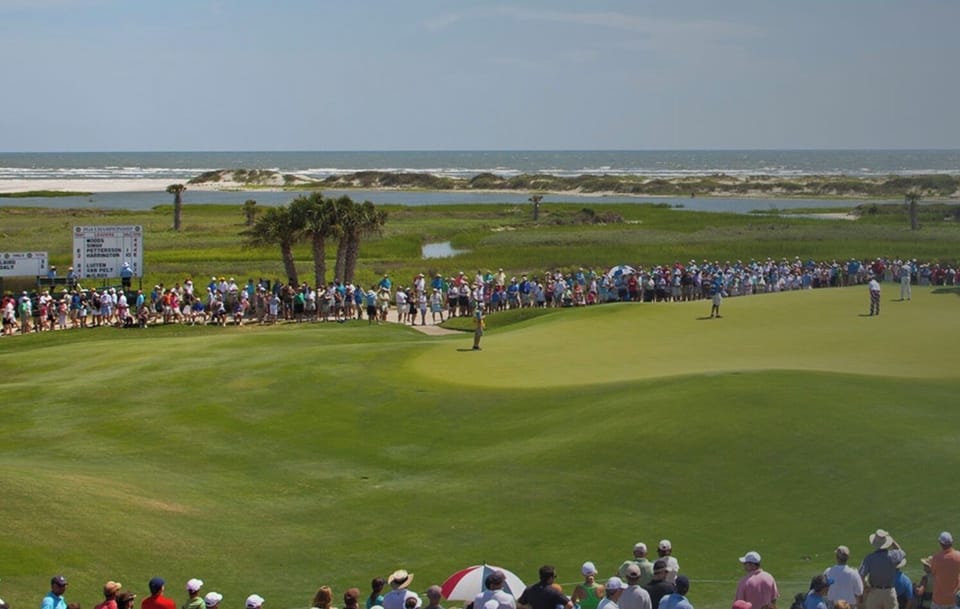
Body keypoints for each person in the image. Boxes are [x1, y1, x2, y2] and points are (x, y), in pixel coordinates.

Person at [859, 529, 900, 609]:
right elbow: (901, 552)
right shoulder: (893, 555)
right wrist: (892, 541)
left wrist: (866, 587)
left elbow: (861, 575)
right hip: (889, 592)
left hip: (875, 592)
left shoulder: (869, 558)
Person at [929, 531, 960, 609]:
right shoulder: (958, 556)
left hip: (939, 600)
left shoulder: (936, 558)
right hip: (954, 599)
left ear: (941, 543)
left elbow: (933, 572)